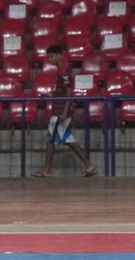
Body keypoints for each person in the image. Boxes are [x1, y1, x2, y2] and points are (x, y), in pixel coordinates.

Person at [33, 45, 97, 177]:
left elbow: (69, 93)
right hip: (59, 108)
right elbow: (63, 91)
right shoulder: (62, 70)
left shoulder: (64, 72)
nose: (49, 59)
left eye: (51, 56)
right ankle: (88, 165)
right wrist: (53, 95)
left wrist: (64, 112)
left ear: (58, 55)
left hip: (61, 110)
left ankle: (47, 170)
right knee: (65, 139)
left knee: (53, 138)